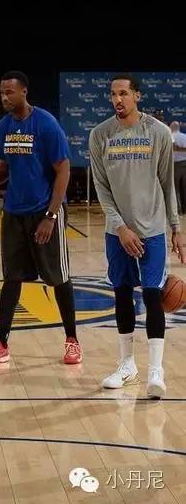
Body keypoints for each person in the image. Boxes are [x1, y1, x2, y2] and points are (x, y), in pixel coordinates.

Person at [89, 74, 184, 398]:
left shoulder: (158, 132)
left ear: (137, 96)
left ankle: (156, 370)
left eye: (124, 93)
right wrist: (120, 227)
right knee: (121, 293)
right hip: (117, 233)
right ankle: (127, 365)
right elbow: (101, 188)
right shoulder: (100, 134)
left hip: (152, 228)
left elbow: (167, 183)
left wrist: (176, 228)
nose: (118, 99)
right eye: (113, 94)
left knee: (153, 295)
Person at [0, 71, 81, 367]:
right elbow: (4, 168)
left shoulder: (46, 124)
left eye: (9, 92)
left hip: (44, 211)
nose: (4, 97)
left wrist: (51, 215)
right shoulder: (3, 127)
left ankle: (72, 340)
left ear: (24, 92)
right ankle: (1, 344)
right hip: (14, 212)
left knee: (58, 278)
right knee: (11, 278)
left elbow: (63, 170)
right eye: (1, 92)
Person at [170, 121, 186, 214]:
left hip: (175, 164)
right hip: (185, 163)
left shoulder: (170, 136)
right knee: (184, 187)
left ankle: (178, 209)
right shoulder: (185, 136)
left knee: (175, 188)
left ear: (171, 128)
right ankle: (185, 209)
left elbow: (172, 148)